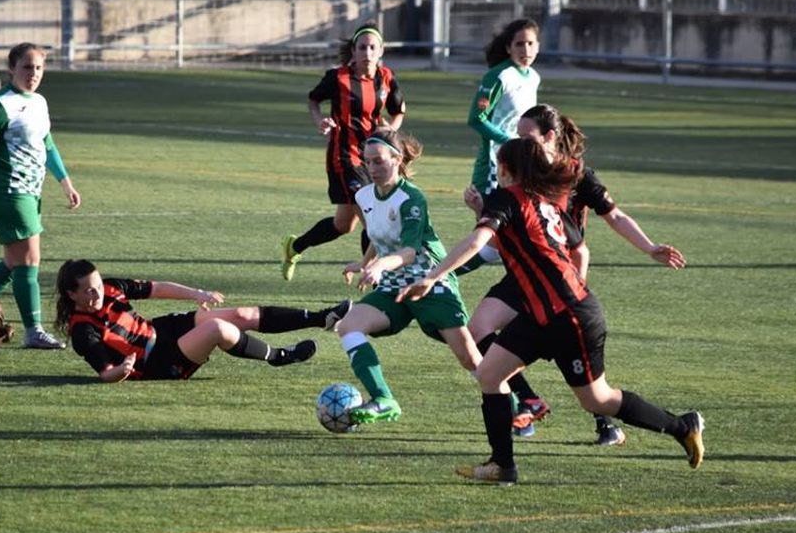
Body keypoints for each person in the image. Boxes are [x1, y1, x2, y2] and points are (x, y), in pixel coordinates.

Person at [398, 138, 704, 484]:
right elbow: (572, 248)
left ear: (506, 168)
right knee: (489, 376)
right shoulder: (544, 202)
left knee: (597, 400)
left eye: (499, 165)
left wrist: (434, 276)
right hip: (540, 313)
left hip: (569, 315)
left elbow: (477, 242)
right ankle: (502, 466)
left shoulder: (508, 197)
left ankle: (682, 425)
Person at [465, 104, 688, 446]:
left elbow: (612, 217)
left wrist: (649, 247)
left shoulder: (575, 175)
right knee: (479, 328)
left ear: (550, 137)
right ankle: (526, 401)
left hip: (562, 278)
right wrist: (484, 210)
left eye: (527, 137)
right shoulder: (516, 175)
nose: (520, 142)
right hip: (524, 274)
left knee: (578, 364)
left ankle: (605, 422)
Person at [334, 129, 486, 424]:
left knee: (469, 357)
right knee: (349, 326)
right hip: (393, 285)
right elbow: (377, 235)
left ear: (397, 159)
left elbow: (410, 251)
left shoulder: (411, 198)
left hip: (429, 281)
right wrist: (364, 261)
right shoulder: (363, 195)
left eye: (379, 161)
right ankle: (383, 399)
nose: (372, 169)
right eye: (367, 162)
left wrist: (378, 267)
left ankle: (517, 407)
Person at [0, 42, 81, 350]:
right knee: (29, 259)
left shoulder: (39, 102)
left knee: (12, 263)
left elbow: (48, 146)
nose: (33, 74)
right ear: (11, 68)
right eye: (26, 67)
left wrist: (66, 183)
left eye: (38, 68)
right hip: (7, 190)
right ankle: (34, 331)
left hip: (29, 193)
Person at [54, 260, 352, 383]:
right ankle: (278, 356)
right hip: (156, 362)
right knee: (218, 329)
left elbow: (157, 288)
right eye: (88, 291)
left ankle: (321, 318)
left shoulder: (111, 287)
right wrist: (121, 370)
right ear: (72, 294)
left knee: (240, 315)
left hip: (161, 331)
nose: (97, 293)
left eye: (97, 285)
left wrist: (198, 293)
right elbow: (105, 373)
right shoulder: (82, 330)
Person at [280, 22, 406, 281]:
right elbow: (313, 99)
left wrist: (389, 133)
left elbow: (398, 112)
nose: (367, 52)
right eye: (362, 47)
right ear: (353, 50)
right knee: (372, 218)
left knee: (343, 225)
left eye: (373, 47)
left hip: (374, 157)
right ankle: (377, 281)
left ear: (381, 51)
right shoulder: (337, 78)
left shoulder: (387, 77)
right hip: (344, 156)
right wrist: (320, 122)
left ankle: (295, 247)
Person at [468, 18, 541, 197]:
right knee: (488, 220)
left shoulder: (533, 77)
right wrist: (508, 141)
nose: (526, 50)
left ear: (538, 46)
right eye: (519, 44)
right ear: (509, 48)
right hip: (495, 162)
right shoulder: (500, 76)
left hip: (522, 161)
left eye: (531, 43)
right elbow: (476, 119)